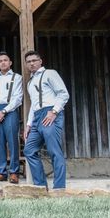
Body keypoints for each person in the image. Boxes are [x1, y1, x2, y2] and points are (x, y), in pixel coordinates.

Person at [23, 50, 69, 189]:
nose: (31, 63)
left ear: (40, 61)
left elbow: (63, 94)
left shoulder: (49, 73)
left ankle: (59, 187)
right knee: (29, 150)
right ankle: (41, 186)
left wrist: (54, 111)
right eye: (29, 62)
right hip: (37, 117)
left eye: (34, 60)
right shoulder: (30, 82)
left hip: (50, 113)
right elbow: (33, 105)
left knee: (54, 150)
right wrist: (29, 124)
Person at [0, 52, 23, 184]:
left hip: (10, 111)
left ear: (10, 62)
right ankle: (1, 172)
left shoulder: (17, 77)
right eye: (0, 61)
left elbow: (18, 98)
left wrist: (4, 111)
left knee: (12, 142)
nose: (3, 62)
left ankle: (14, 172)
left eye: (5, 60)